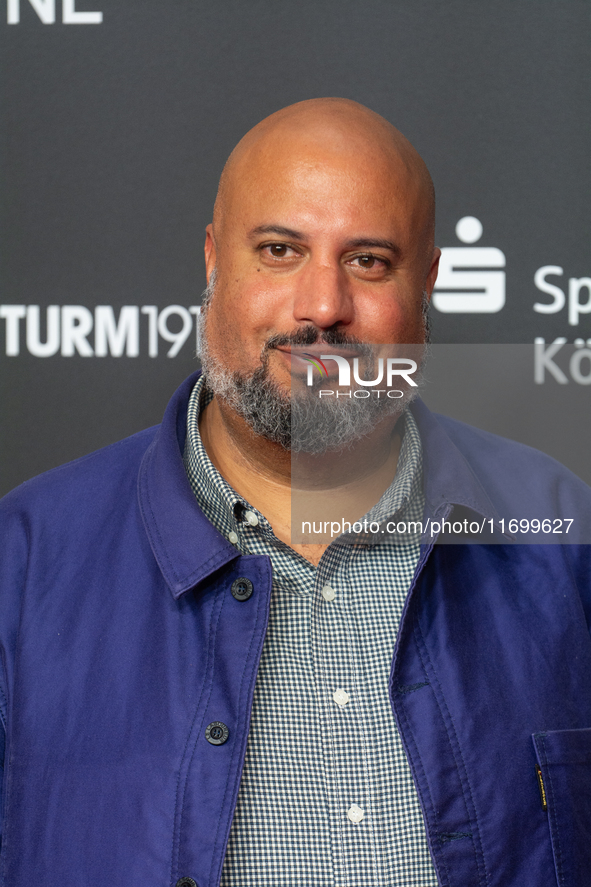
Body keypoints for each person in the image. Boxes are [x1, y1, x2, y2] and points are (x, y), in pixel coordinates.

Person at [0, 98, 590, 887]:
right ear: (213, 263)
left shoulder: (563, 536)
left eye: (369, 260)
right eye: (280, 249)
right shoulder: (24, 564)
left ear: (428, 281)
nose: (322, 306)